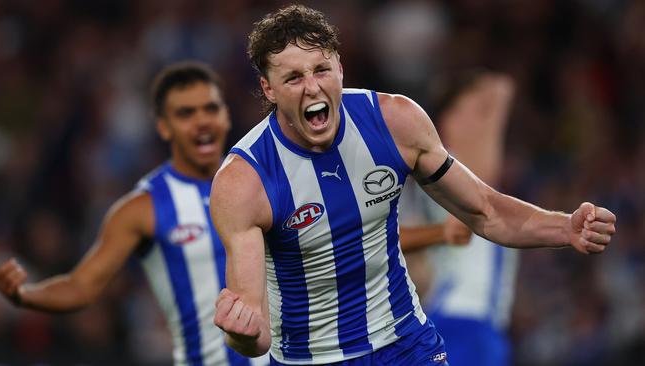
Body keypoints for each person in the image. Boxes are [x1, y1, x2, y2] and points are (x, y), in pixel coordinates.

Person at [210, 5, 616, 365]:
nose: (313, 87)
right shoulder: (245, 182)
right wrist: (242, 333)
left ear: (340, 68)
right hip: (309, 359)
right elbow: (254, 333)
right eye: (294, 78)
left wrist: (564, 227)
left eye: (321, 69)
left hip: (405, 345)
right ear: (269, 89)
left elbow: (486, 212)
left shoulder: (395, 122)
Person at [0, 62, 267, 366]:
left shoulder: (263, 179)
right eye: (185, 113)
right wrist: (24, 295)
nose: (201, 122)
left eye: (210, 108)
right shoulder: (143, 207)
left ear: (225, 116)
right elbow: (81, 286)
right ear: (164, 126)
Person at [398, 71, 518, 366]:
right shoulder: (448, 172)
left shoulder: (436, 176)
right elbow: (501, 90)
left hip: (454, 322)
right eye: (472, 112)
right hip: (464, 323)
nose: (483, 123)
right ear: (448, 122)